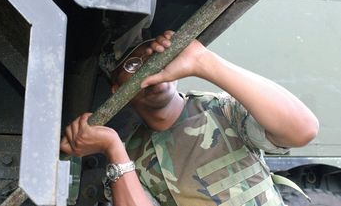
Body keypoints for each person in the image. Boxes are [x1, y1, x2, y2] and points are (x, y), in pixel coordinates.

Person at [60, 30, 319, 206]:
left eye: (154, 57)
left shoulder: (221, 111)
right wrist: (113, 148)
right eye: (132, 65)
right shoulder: (132, 156)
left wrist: (202, 60)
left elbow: (302, 130)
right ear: (117, 90)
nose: (149, 67)